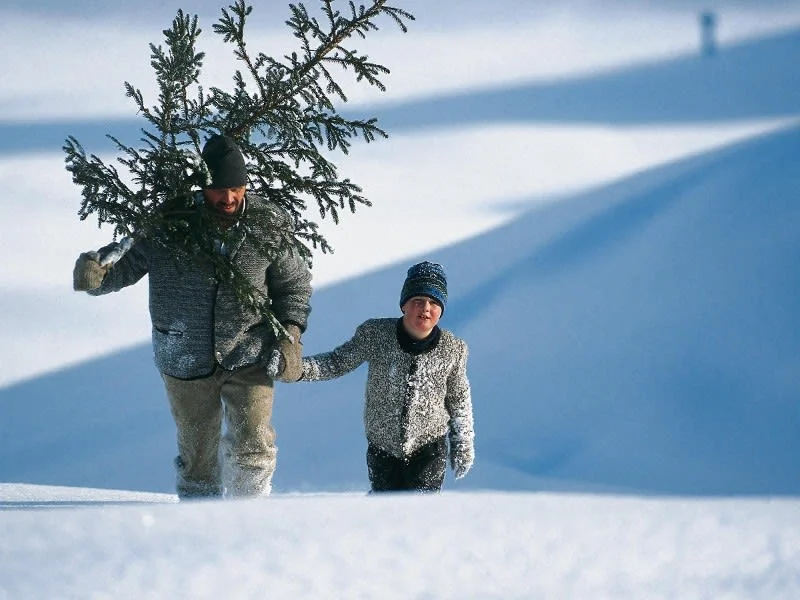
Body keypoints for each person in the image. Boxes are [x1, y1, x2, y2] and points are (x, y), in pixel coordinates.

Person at [72, 134, 312, 499]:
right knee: (197, 455)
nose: (228, 198)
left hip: (248, 351)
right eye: (218, 189)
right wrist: (96, 276)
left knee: (254, 443)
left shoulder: (269, 223)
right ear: (202, 187)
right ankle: (198, 526)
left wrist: (290, 334)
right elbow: (127, 266)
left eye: (236, 188)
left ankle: (252, 516)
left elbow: (293, 285)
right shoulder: (172, 221)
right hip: (183, 353)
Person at [298, 261, 474, 493]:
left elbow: (459, 398)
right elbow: (337, 362)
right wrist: (298, 369)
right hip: (383, 444)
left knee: (420, 508)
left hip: (429, 443)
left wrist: (463, 441)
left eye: (434, 302)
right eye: (418, 301)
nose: (425, 309)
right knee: (386, 506)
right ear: (404, 305)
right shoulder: (376, 334)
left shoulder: (453, 349)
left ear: (441, 310)